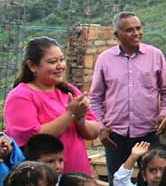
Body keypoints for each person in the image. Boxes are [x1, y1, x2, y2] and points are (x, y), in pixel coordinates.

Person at [89, 12, 166, 186]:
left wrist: (163, 114)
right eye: (129, 30)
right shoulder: (105, 59)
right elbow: (94, 98)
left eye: (138, 28)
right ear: (117, 35)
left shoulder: (155, 55)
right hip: (116, 136)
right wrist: (101, 127)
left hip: (149, 134)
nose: (136, 33)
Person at [3, 37, 100, 174]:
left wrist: (80, 120)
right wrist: (70, 115)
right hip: (43, 180)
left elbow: (94, 131)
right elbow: (33, 138)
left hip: (78, 176)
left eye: (61, 60)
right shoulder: (20, 96)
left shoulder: (69, 90)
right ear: (32, 66)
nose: (60, 66)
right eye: (52, 62)